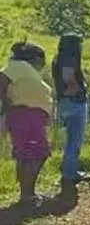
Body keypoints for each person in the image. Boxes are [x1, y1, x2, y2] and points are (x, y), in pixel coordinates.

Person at [0, 43, 53, 206]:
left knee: (27, 154)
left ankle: (27, 194)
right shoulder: (20, 67)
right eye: (42, 58)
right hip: (26, 116)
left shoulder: (25, 70)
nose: (44, 63)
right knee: (38, 153)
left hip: (30, 116)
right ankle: (27, 195)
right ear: (36, 57)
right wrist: (6, 103)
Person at [52, 34, 89, 189]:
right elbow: (70, 83)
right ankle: (69, 174)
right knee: (74, 140)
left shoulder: (59, 59)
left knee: (71, 140)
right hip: (74, 103)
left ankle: (69, 171)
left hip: (65, 103)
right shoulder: (68, 61)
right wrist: (82, 88)